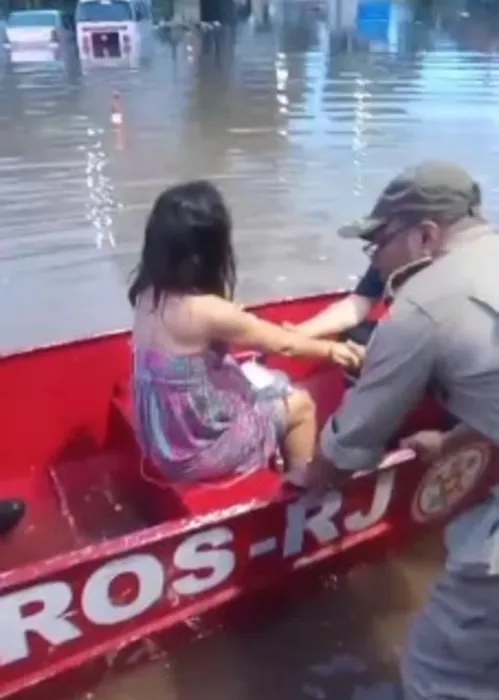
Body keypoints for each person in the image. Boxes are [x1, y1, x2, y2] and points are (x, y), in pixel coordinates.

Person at [313, 160, 499, 700]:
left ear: (425, 235)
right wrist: (449, 442)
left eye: (379, 241)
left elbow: (345, 448)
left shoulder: (420, 307)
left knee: (436, 674)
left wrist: (310, 475)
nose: (373, 256)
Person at [128, 180, 362, 485]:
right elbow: (285, 345)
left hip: (162, 437)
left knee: (259, 377)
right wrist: (332, 350)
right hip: (194, 454)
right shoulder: (208, 311)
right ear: (211, 252)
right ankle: (301, 493)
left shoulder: (147, 293)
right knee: (301, 405)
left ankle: (271, 453)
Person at [292, 263, 384, 346]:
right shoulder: (383, 262)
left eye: (382, 245)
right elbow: (360, 301)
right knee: (356, 333)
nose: (375, 253)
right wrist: (300, 333)